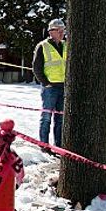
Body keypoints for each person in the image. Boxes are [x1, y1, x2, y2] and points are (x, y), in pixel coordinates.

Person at [33, 18, 67, 147]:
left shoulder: (66, 46)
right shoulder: (43, 46)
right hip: (50, 87)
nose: (61, 33)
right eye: (58, 30)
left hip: (63, 87)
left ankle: (59, 146)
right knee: (46, 117)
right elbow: (36, 67)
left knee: (60, 119)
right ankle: (44, 144)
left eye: (62, 30)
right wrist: (45, 83)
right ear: (51, 31)